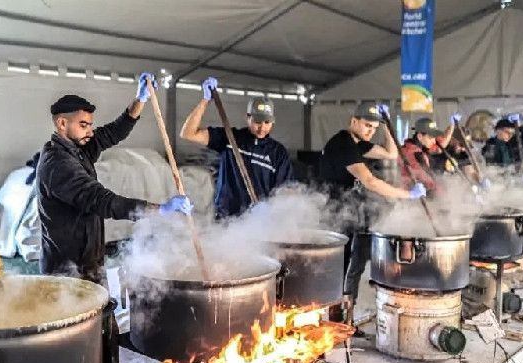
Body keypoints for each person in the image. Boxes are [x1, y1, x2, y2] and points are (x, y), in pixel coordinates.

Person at [37, 73, 192, 283]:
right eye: (84, 125)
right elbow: (102, 200)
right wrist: (159, 210)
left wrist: (140, 100)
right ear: (62, 123)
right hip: (67, 274)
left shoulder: (76, 149)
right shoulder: (58, 164)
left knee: (102, 312)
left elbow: (111, 133)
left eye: (90, 125)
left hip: (88, 263)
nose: (90, 132)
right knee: (84, 316)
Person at [318, 103, 426, 336]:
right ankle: (332, 325)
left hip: (346, 212)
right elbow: (371, 182)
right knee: (337, 271)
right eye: (367, 125)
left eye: (373, 127)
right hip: (333, 214)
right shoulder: (343, 143)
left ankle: (341, 323)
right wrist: (407, 195)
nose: (370, 131)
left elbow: (390, 153)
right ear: (353, 121)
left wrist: (386, 124)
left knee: (345, 269)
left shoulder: (359, 143)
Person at [179, 77, 294, 219]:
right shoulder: (230, 138)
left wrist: (271, 209)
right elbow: (188, 133)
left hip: (260, 223)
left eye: (267, 122)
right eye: (257, 121)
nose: (262, 127)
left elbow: (286, 190)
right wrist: (205, 100)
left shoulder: (278, 152)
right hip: (226, 220)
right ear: (248, 118)